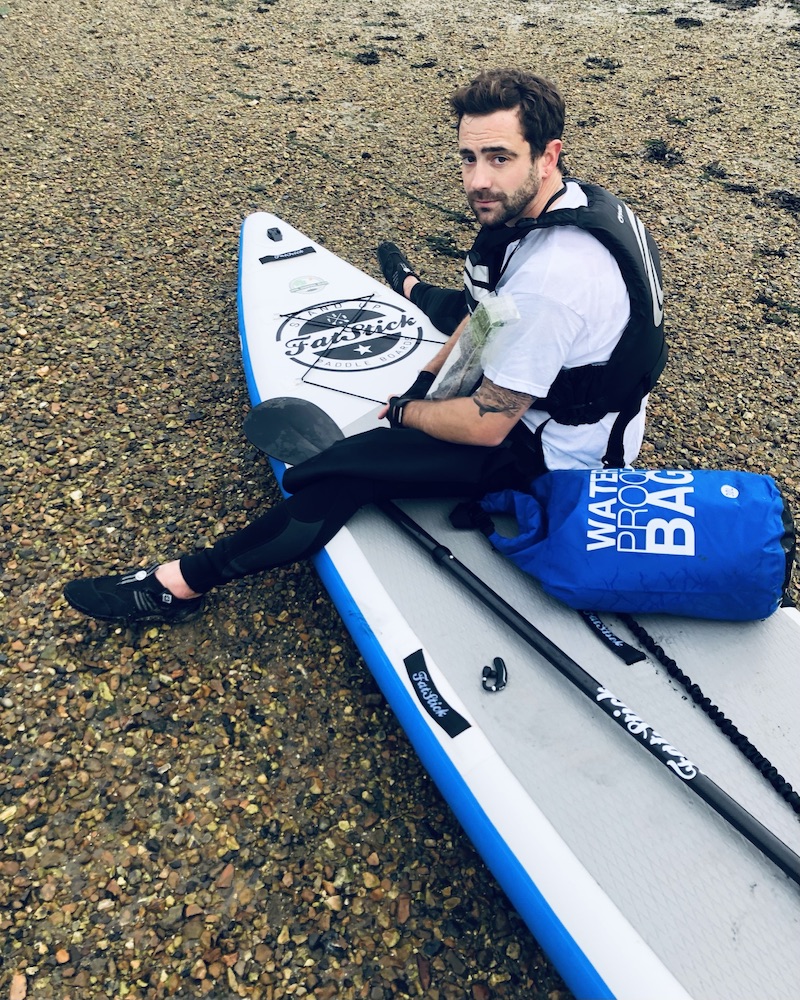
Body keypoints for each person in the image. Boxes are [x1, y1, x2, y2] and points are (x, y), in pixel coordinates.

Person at [64, 67, 665, 625]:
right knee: (446, 330)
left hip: (561, 455)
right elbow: (491, 310)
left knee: (350, 470)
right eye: (469, 157)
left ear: (547, 154)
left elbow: (487, 426)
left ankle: (178, 586)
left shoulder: (552, 277)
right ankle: (408, 286)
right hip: (593, 415)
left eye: (500, 158)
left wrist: (408, 413)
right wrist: (428, 379)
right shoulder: (581, 206)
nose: (478, 180)